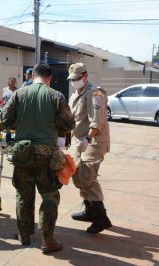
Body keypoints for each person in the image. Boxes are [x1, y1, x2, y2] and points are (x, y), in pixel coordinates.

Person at [0, 63, 75, 254]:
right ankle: (48, 240)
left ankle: (24, 235)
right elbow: (68, 123)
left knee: (23, 194)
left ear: (32, 76)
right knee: (49, 195)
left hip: (23, 154)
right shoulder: (56, 96)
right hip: (47, 155)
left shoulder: (19, 94)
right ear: (50, 78)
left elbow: (1, 122)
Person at [67, 62, 112, 234]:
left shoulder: (95, 93)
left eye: (77, 79)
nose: (74, 82)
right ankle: (89, 210)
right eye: (72, 79)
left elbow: (97, 122)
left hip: (94, 140)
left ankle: (101, 218)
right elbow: (73, 119)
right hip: (79, 141)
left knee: (88, 176)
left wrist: (87, 138)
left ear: (85, 76)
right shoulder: (75, 94)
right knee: (77, 176)